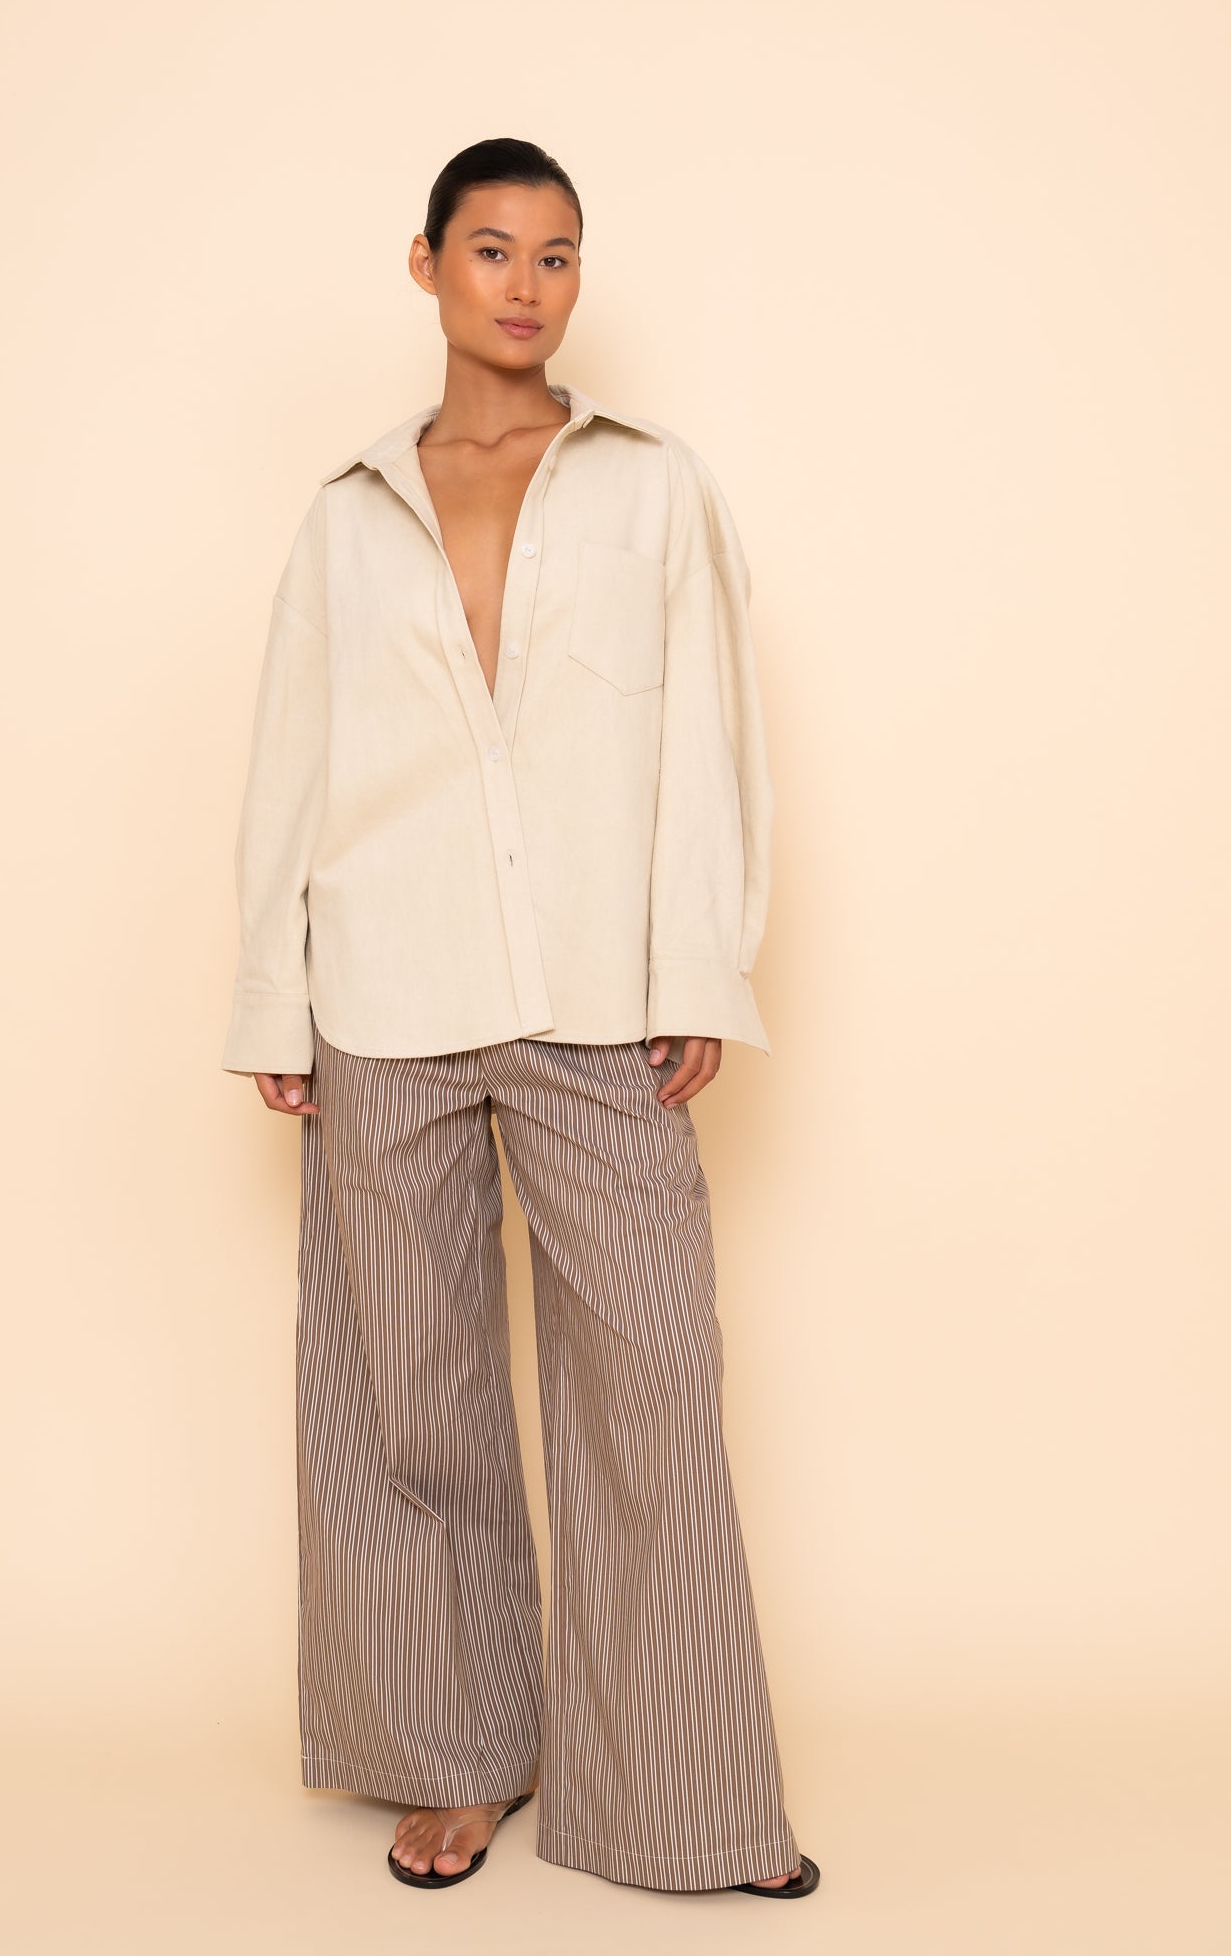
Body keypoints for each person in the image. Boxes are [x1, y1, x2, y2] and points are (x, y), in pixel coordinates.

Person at [220, 136, 821, 1902]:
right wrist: (273, 991)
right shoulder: (348, 513)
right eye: (491, 250)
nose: (526, 284)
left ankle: (687, 1801)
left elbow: (709, 735)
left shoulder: (651, 488)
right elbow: (291, 759)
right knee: (405, 1398)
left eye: (556, 254)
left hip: (592, 997)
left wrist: (696, 969)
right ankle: (454, 1760)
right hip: (384, 986)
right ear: (425, 265)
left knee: (651, 1386)